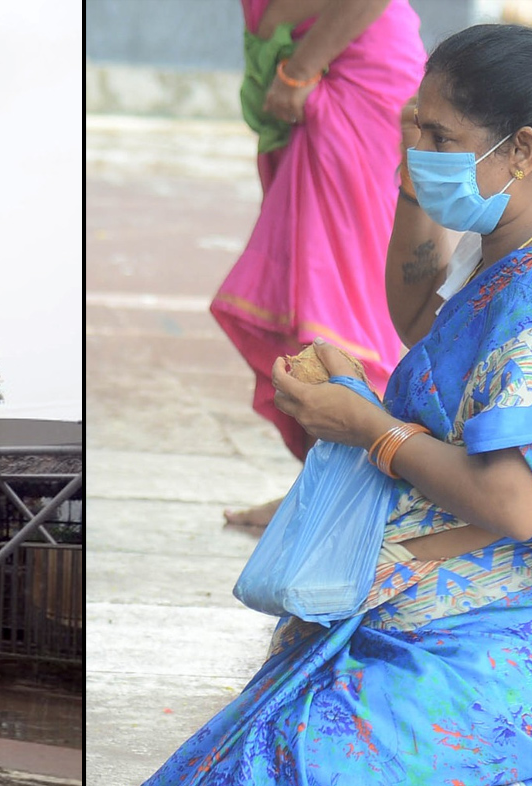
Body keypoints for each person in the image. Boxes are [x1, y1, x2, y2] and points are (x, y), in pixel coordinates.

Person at [128, 23, 532, 786]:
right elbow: (414, 316)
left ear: (521, 152)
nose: (418, 146)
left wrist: (367, 426)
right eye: (412, 124)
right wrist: (413, 177)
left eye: (441, 137)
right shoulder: (509, 252)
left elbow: (517, 503)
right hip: (415, 609)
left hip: (501, 645)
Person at [215, 0, 424, 529]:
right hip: (311, 64)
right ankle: (320, 490)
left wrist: (298, 69)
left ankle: (355, 496)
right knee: (298, 298)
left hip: (340, 69)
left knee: (335, 302)